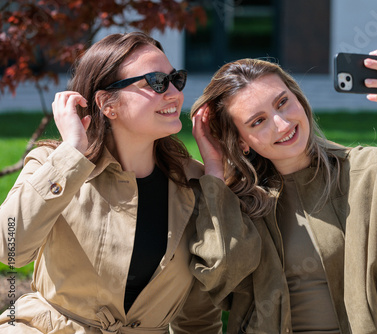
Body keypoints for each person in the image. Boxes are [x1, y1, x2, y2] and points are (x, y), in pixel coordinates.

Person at [0, 31, 260, 333]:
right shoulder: (54, 164)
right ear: (107, 103)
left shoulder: (193, 184)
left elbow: (201, 309)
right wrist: (71, 152)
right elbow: (11, 250)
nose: (174, 93)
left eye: (176, 80)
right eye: (156, 83)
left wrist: (215, 176)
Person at [190, 48, 377, 333]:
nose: (282, 124)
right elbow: (219, 275)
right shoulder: (237, 203)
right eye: (258, 121)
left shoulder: (368, 172)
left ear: (299, 99)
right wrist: (216, 173)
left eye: (283, 103)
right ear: (241, 141)